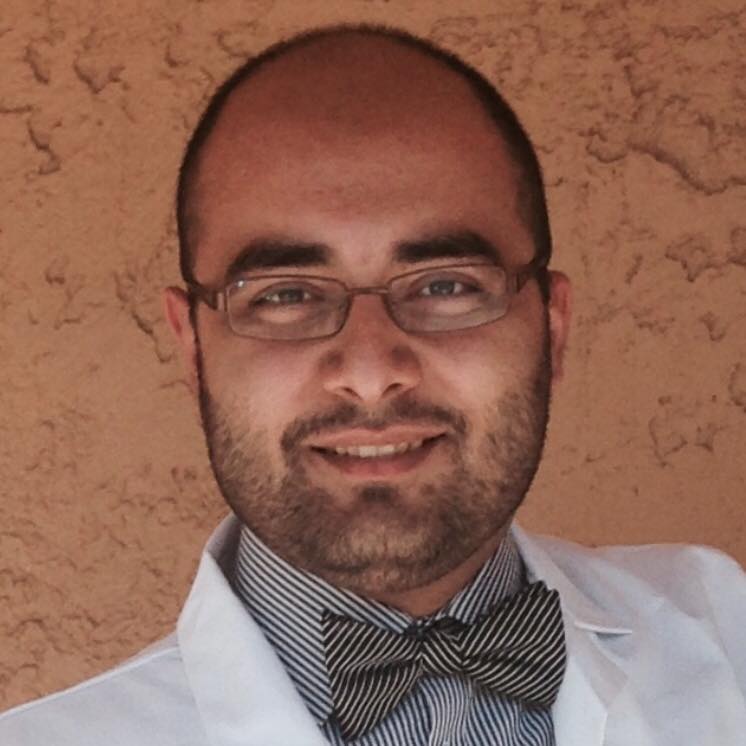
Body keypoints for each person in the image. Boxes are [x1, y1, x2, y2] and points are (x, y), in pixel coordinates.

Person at [1, 23, 745, 746]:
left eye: (447, 285)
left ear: (552, 328)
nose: (368, 372)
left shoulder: (724, 639)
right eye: (285, 294)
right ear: (191, 347)